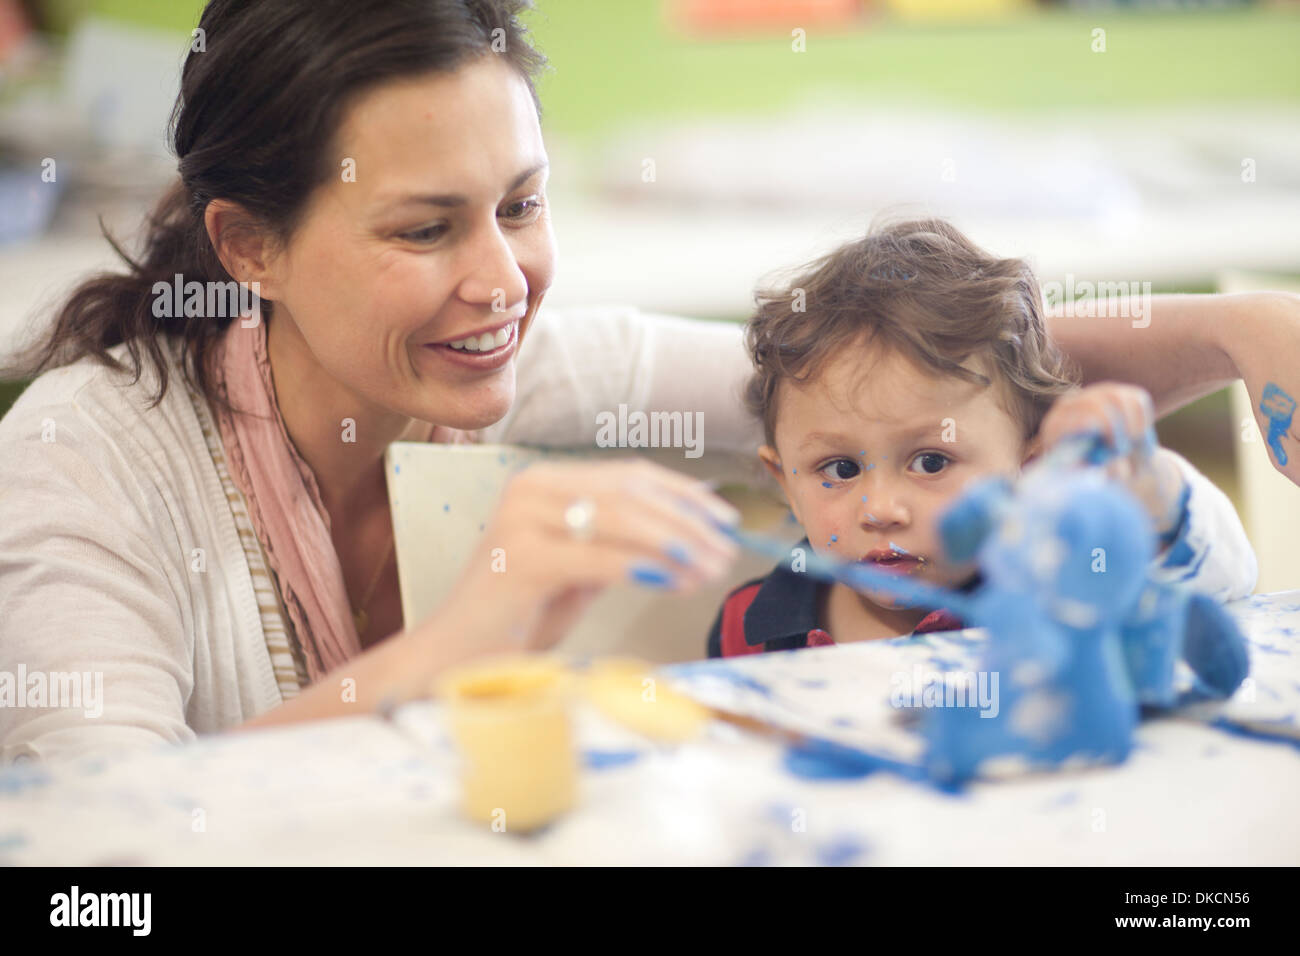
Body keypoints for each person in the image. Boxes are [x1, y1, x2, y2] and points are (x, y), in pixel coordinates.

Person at [0, 0, 1294, 763]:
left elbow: (909, 380)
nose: (502, 281)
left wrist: (1241, 329)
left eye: (521, 205)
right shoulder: (85, 467)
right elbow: (103, 865)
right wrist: (468, 640)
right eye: (423, 228)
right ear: (248, 247)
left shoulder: (533, 364)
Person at [708, 218, 1257, 657]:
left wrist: (1155, 495)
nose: (881, 510)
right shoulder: (748, 626)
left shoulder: (1058, 587)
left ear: (1030, 466)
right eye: (841, 470)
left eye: (930, 462)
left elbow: (1223, 585)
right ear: (785, 482)